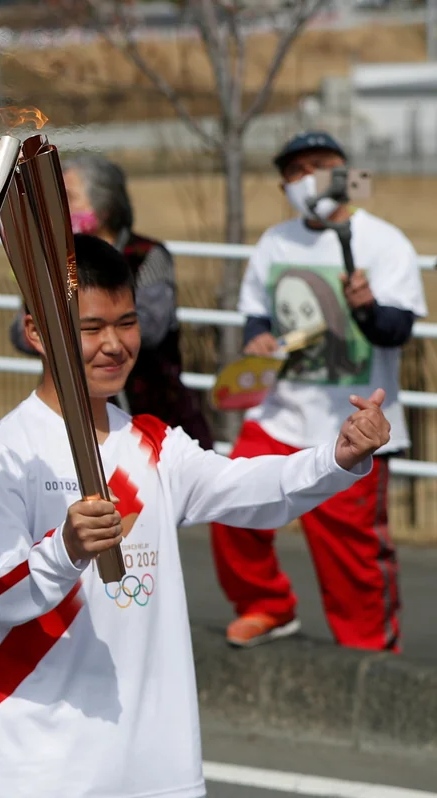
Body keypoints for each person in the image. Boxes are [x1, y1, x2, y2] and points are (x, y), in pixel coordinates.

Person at [0, 234, 390, 798]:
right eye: (90, 328)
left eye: (126, 322)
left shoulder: (151, 443)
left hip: (158, 760)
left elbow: (252, 489)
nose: (114, 344)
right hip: (43, 761)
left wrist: (336, 458)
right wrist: (65, 550)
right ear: (37, 332)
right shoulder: (4, 456)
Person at [210, 131, 426, 651]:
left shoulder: (386, 241)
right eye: (295, 170)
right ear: (283, 184)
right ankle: (266, 605)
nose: (308, 177)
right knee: (230, 508)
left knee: (350, 553)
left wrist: (367, 308)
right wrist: (257, 338)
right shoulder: (274, 242)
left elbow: (397, 331)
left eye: (321, 165)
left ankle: (370, 652)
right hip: (277, 416)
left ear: (346, 172)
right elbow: (257, 314)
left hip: (355, 424)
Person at [7, 154, 213, 448]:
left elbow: (150, 327)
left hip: (152, 416)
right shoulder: (51, 262)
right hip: (78, 420)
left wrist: (71, 330)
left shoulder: (147, 255)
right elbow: (22, 332)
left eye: (68, 197)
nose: (56, 208)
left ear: (103, 204)